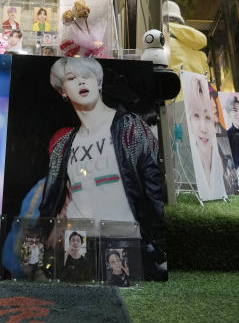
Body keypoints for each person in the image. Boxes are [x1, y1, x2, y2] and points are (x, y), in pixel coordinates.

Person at [39, 58, 167, 280]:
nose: (80, 82)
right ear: (63, 91)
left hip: (123, 241)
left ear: (98, 82)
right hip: (79, 246)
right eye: (71, 78)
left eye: (86, 76)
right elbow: (52, 199)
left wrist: (159, 244)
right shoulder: (62, 146)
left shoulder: (130, 127)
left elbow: (154, 189)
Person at [184, 77, 227, 201]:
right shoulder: (186, 165)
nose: (203, 128)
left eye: (209, 117)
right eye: (196, 116)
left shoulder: (223, 148)